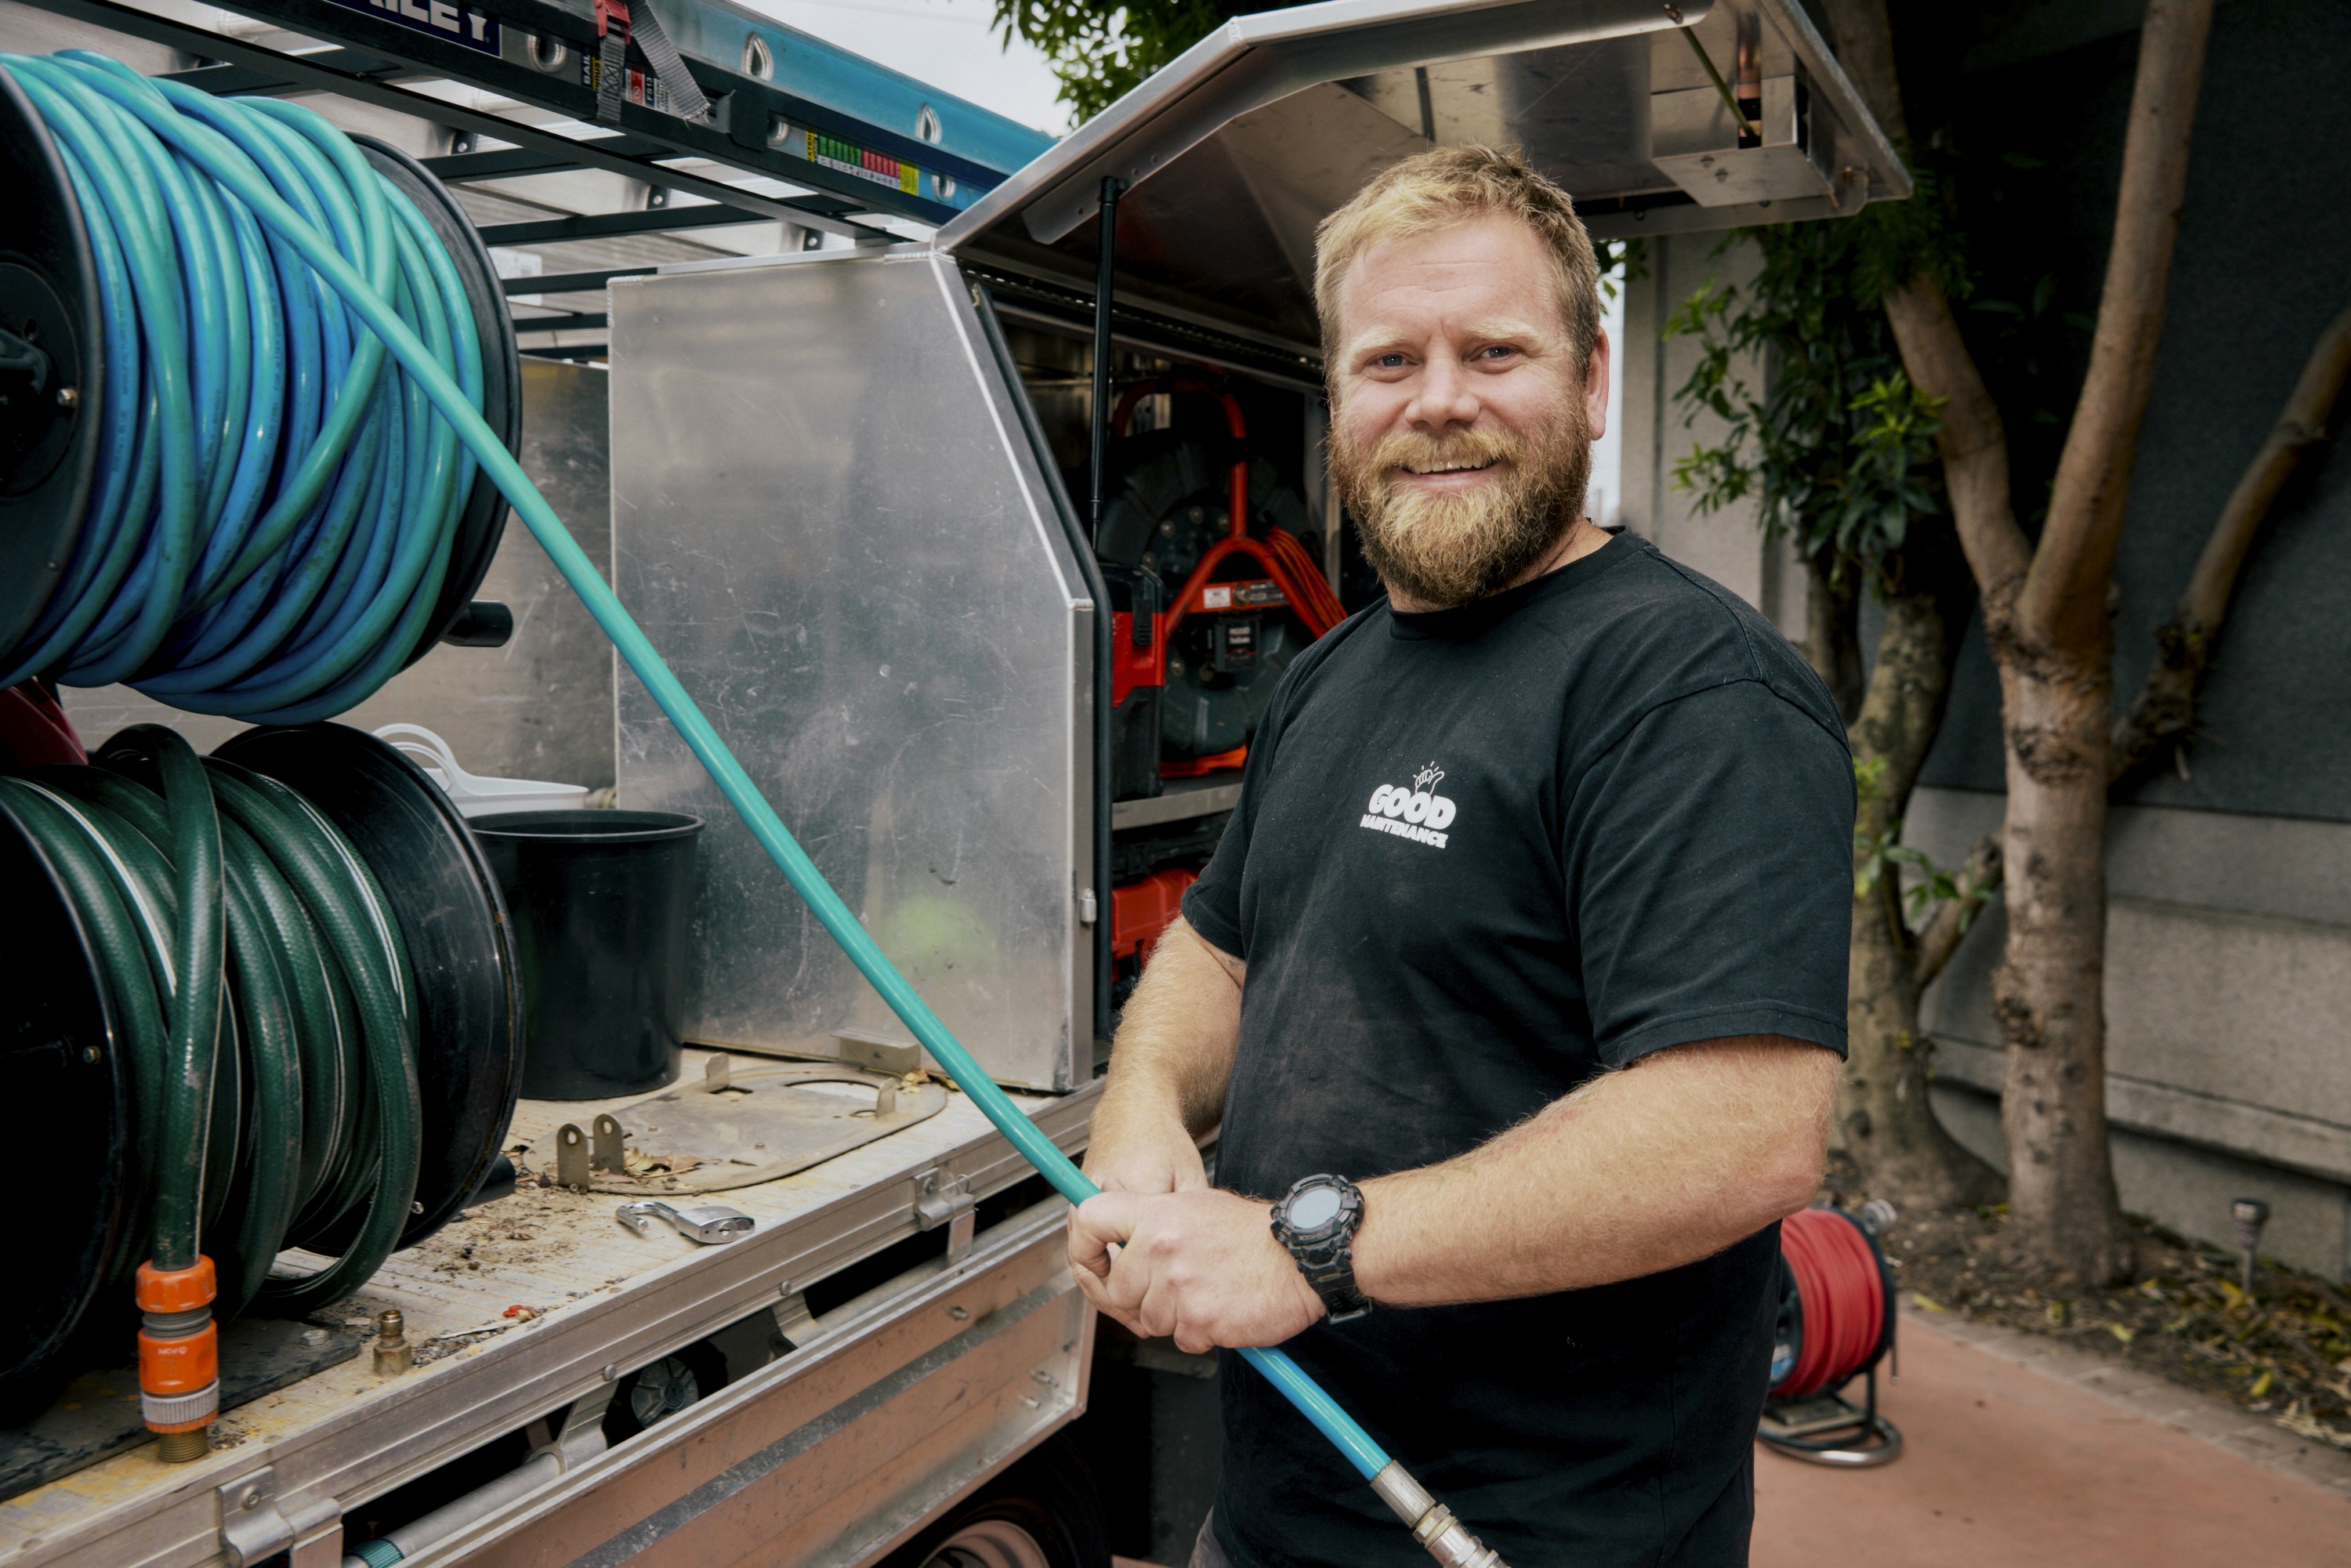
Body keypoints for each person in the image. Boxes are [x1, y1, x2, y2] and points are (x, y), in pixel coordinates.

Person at [1067, 145, 1855, 1567]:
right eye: (1389, 360)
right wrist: (1141, 1121)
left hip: (1536, 1539)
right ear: (1339, 393)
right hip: (1272, 1518)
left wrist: (1304, 1250)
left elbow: (1744, 1130)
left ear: (1593, 378)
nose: (1439, 401)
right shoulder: (1333, 673)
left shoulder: (1686, 689)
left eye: (1494, 350)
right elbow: (1218, 945)